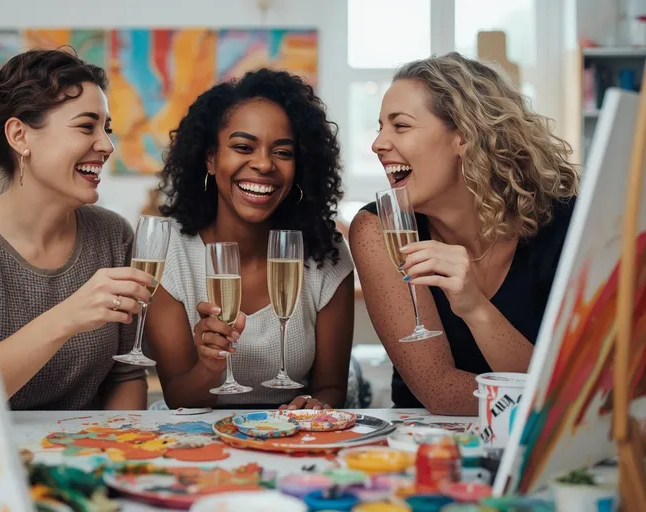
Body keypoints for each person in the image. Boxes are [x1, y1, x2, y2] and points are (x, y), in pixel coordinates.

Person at [350, 53, 579, 415]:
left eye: (401, 126)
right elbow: (440, 390)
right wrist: (549, 399)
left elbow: (568, 391)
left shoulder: (566, 225)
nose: (378, 143)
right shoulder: (379, 229)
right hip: (423, 450)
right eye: (380, 127)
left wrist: (475, 308)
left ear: (464, 138)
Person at [146, 69, 356, 411]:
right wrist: (210, 366)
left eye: (283, 152)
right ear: (211, 159)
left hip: (291, 439)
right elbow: (178, 398)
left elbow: (331, 388)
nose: (263, 164)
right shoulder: (170, 253)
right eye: (243, 147)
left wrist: (313, 406)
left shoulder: (325, 253)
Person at [0, 49, 155, 410]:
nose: (107, 145)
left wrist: (115, 455)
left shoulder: (114, 235)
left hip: (90, 456)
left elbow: (126, 374)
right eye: (86, 126)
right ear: (20, 136)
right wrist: (68, 317)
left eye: (106, 129)